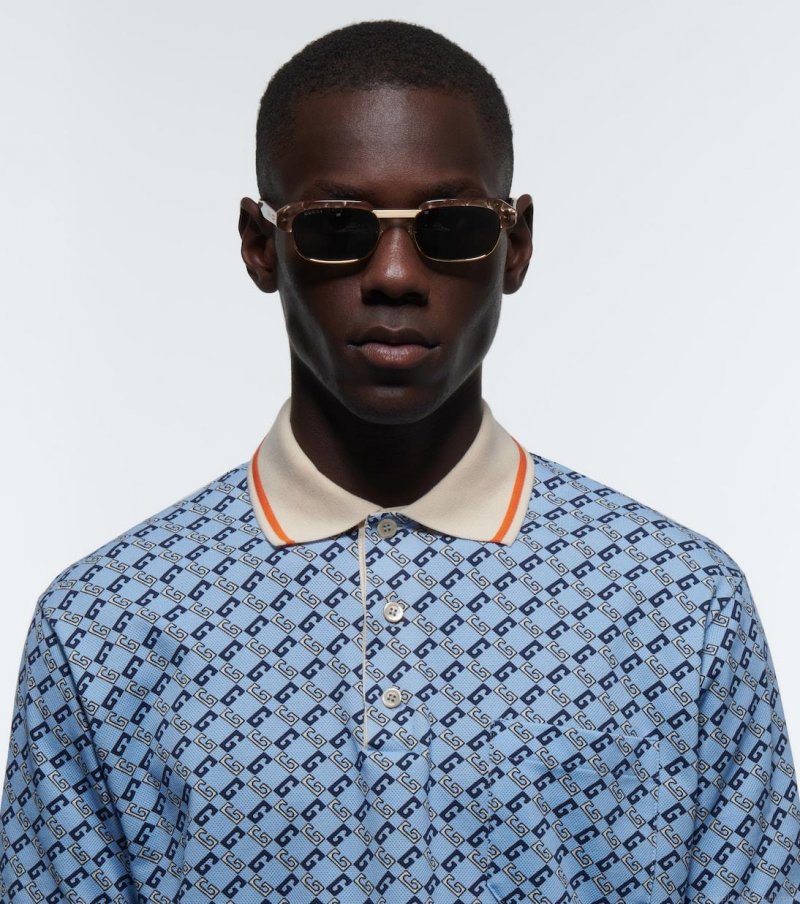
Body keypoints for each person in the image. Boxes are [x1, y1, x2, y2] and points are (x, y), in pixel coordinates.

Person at [1, 17, 798, 904]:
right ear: (260, 245)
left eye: (450, 227)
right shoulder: (106, 629)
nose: (392, 274)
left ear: (516, 247)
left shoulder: (681, 609)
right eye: (336, 227)